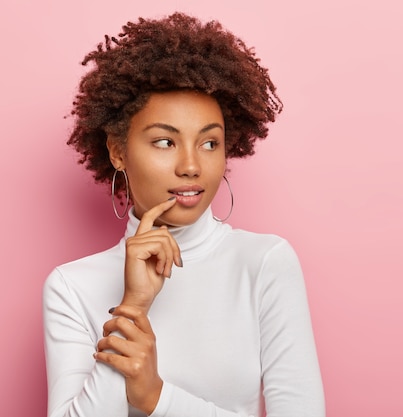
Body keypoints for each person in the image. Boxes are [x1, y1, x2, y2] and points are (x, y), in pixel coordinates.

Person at [43, 12, 325, 417]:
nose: (192, 166)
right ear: (118, 150)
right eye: (164, 141)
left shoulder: (264, 263)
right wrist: (134, 306)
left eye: (209, 143)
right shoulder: (70, 286)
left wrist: (158, 398)